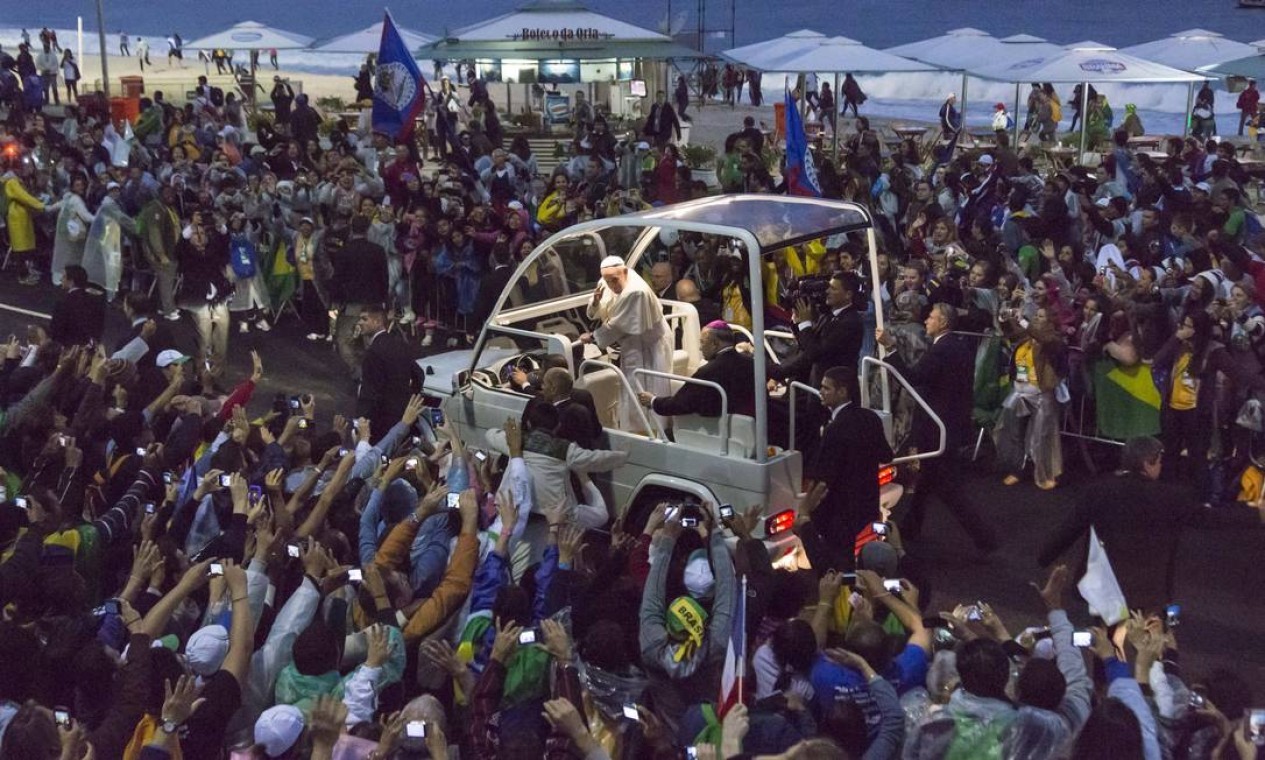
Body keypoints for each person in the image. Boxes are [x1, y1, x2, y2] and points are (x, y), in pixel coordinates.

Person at [877, 303, 1001, 554]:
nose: (926, 321)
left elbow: (914, 378)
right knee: (927, 481)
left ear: (943, 322)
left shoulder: (942, 350)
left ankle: (985, 538)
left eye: (931, 318)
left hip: (938, 428)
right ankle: (911, 526)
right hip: (948, 424)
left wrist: (891, 347)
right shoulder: (958, 346)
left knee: (947, 489)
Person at [805, 366, 893, 570]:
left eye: (826, 388)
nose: (821, 392)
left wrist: (807, 510)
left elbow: (824, 478)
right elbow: (886, 455)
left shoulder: (834, 429)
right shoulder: (870, 418)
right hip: (867, 505)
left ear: (842, 391)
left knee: (839, 563)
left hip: (839, 513)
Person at [581, 255, 675, 430]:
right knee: (632, 389)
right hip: (633, 345)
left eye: (614, 281)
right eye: (608, 281)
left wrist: (593, 337)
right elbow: (601, 307)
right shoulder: (609, 278)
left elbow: (618, 324)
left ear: (624, 272)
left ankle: (655, 430)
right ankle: (635, 428)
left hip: (651, 346)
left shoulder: (636, 291)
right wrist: (594, 302)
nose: (611, 286)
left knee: (651, 388)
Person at [769, 271, 864, 396]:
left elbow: (815, 353)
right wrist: (798, 321)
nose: (827, 291)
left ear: (848, 294)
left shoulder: (850, 321)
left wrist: (805, 323)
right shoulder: (828, 316)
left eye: (833, 289)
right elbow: (806, 344)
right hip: (816, 389)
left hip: (836, 394)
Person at [637, 320, 757, 419]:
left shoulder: (707, 372)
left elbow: (679, 404)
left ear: (715, 344)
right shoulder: (752, 363)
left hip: (715, 434)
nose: (700, 348)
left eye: (702, 342)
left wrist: (653, 401)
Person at [355, 304, 415, 443]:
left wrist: (361, 418)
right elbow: (418, 374)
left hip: (380, 420)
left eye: (364, 319)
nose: (360, 322)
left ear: (377, 322)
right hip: (402, 415)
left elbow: (370, 390)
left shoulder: (373, 352)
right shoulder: (400, 344)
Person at [47, 265, 106, 347]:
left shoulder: (63, 303)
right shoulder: (94, 302)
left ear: (71, 281)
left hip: (67, 348)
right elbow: (98, 328)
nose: (61, 279)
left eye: (64, 277)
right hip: (86, 349)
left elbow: (56, 331)